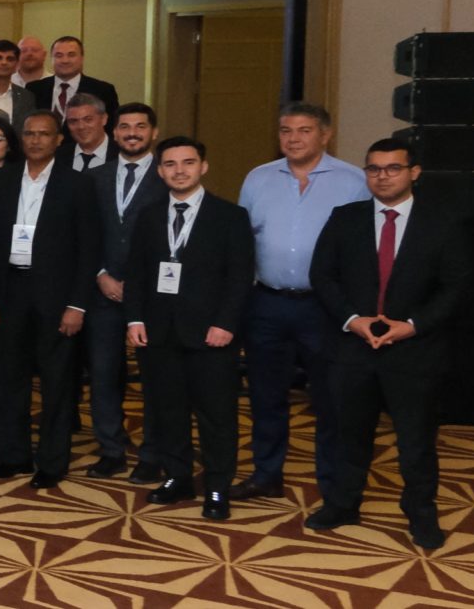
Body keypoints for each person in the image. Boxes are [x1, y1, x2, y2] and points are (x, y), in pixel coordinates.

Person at [309, 139, 463, 549]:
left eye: (393, 168)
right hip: (353, 348)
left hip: (415, 351)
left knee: (416, 441)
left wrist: (412, 326)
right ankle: (342, 504)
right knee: (349, 434)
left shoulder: (442, 222)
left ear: (414, 172)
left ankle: (420, 513)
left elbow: (455, 287)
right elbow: (322, 275)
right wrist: (351, 320)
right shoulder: (345, 218)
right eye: (374, 169)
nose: (382, 176)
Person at [232, 101, 368, 504]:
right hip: (267, 303)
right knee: (265, 396)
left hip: (324, 308)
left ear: (325, 134)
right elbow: (241, 242)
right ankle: (266, 474)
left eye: (304, 130)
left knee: (329, 399)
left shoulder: (353, 181)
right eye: (285, 131)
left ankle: (333, 485)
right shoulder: (258, 178)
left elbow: (361, 249)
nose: (293, 139)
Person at [126, 137, 253, 519]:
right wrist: (135, 319)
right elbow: (136, 272)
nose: (179, 170)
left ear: (203, 167)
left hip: (212, 335)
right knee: (168, 411)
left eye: (188, 162)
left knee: (216, 416)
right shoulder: (148, 216)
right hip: (159, 332)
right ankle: (177, 476)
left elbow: (240, 276)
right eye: (170, 164)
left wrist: (225, 323)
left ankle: (217, 486)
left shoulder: (230, 216)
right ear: (160, 170)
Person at [0, 112, 92, 487]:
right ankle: (13, 455)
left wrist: (77, 305)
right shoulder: (3, 178)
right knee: (8, 378)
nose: (35, 140)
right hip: (9, 291)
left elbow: (87, 249)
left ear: (59, 140)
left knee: (56, 383)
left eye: (44, 134)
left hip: (56, 297)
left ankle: (52, 462)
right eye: (29, 133)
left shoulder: (77, 184)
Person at [85, 102, 165, 479]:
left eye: (140, 126)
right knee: (102, 375)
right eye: (125, 127)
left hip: (152, 296)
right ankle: (111, 449)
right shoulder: (95, 178)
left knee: (154, 378)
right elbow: (84, 233)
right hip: (103, 292)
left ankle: (152, 454)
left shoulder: (168, 176)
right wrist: (100, 273)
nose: (132, 133)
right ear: (114, 133)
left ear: (154, 132)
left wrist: (139, 283)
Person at [27, 36, 119, 118]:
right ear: (51, 58)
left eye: (71, 55)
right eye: (59, 55)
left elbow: (112, 126)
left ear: (82, 58)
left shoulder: (103, 91)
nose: (65, 60)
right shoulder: (34, 89)